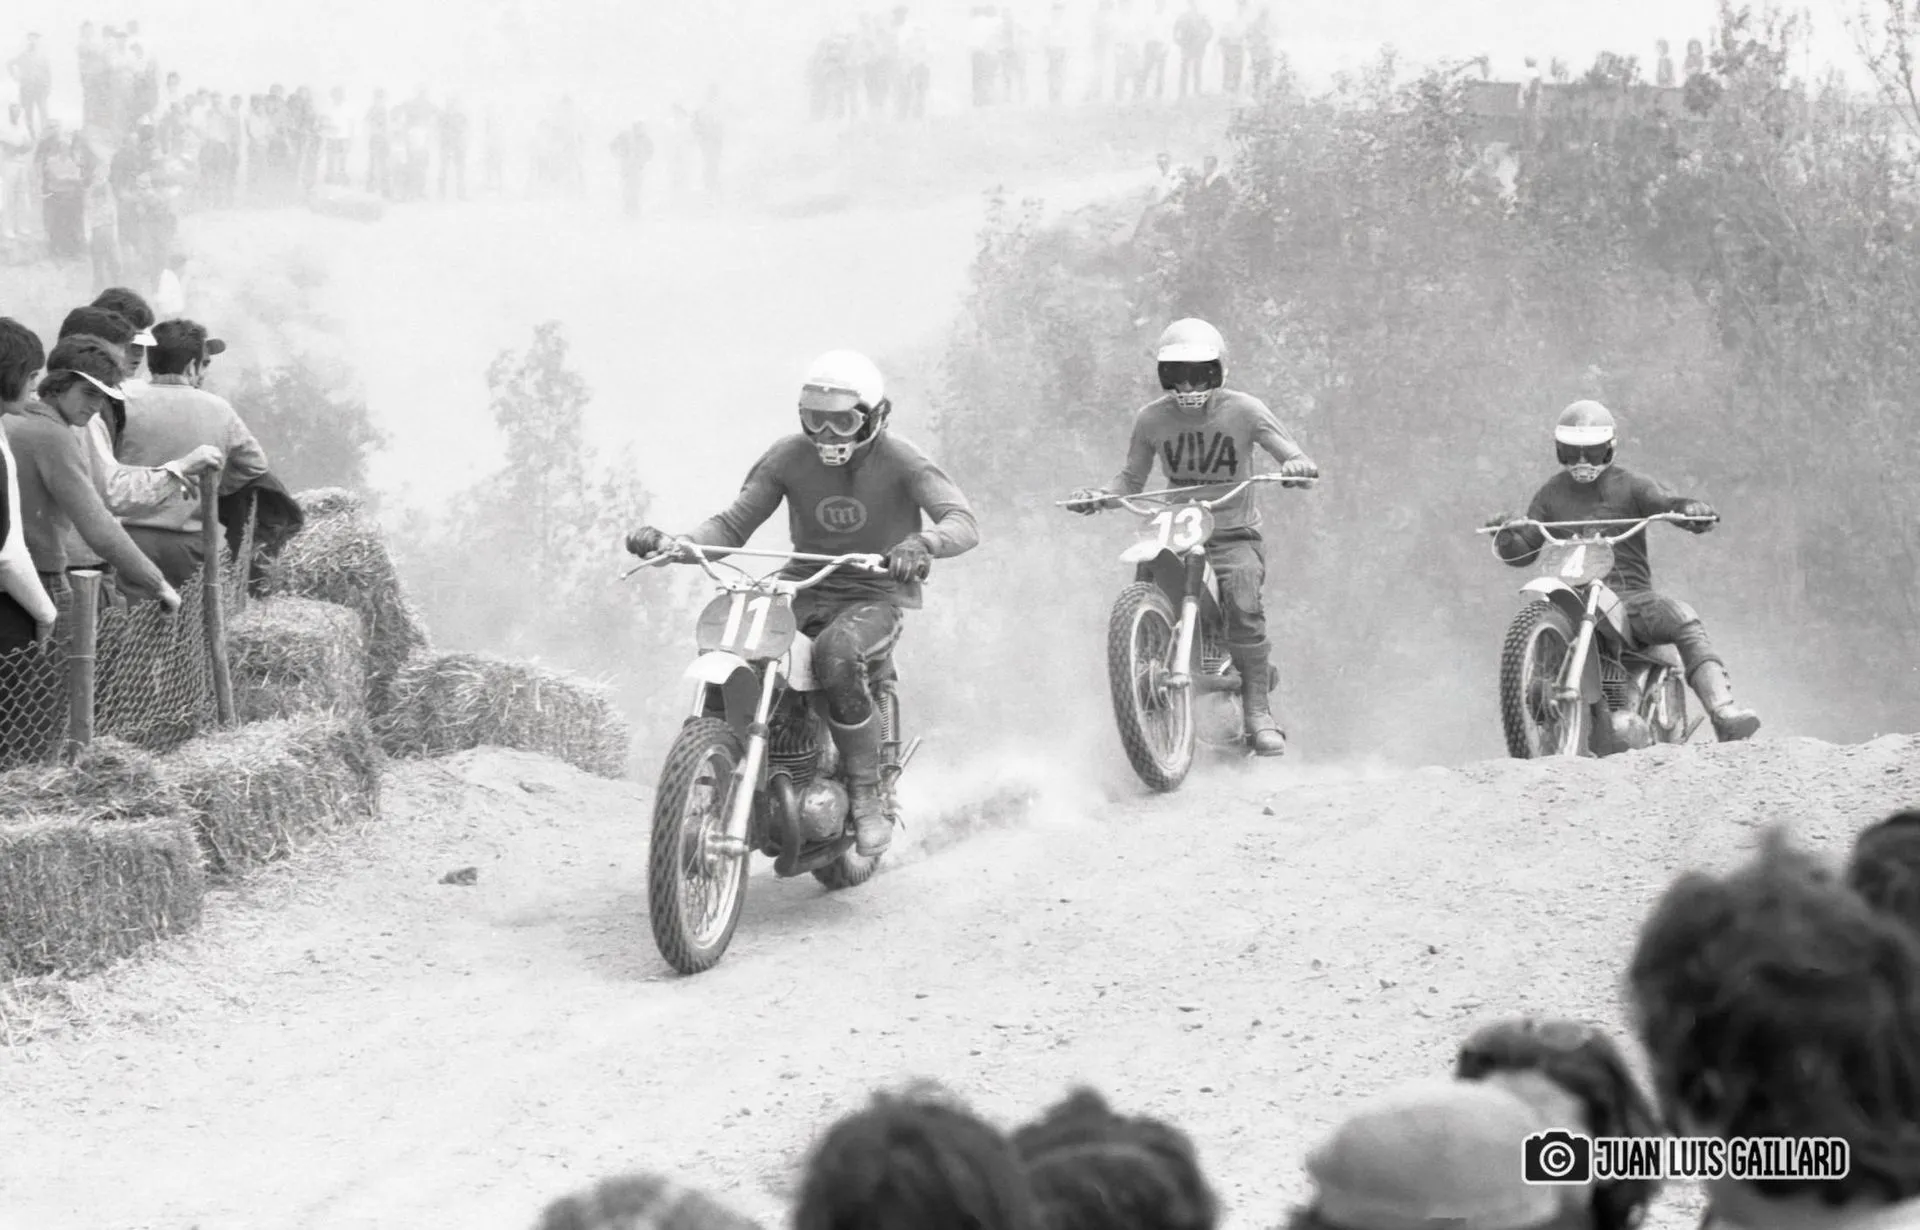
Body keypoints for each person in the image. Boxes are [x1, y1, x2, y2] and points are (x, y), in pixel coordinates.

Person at [624, 350, 979, 857]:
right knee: (737, 642)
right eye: (815, 420)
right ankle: (721, 771)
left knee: (837, 653)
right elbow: (732, 525)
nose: (827, 435)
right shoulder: (788, 457)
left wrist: (921, 544)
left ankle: (867, 795)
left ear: (875, 416)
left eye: (843, 422)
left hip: (874, 592)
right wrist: (678, 545)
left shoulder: (903, 461)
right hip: (803, 585)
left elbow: (962, 522)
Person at [1067, 317, 1320, 757]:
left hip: (1233, 534)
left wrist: (1296, 467)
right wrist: (1099, 497)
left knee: (1243, 599)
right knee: (1147, 580)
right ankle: (1144, 687)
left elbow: (1294, 454)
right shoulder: (1151, 419)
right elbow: (1130, 480)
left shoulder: (1246, 410)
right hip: (1177, 531)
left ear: (1219, 370)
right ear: (1163, 375)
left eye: (1199, 373)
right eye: (1177, 374)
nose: (1188, 385)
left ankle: (1258, 713)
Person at [1486, 400, 1760, 742]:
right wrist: (1506, 536)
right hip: (1571, 599)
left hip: (1630, 600)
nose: (1582, 462)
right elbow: (1524, 549)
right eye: (1571, 453)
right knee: (1542, 623)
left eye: (1592, 452)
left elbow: (1665, 504)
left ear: (1609, 448)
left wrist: (1690, 510)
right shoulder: (1549, 495)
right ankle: (1552, 723)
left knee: (1683, 617)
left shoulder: (1632, 485)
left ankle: (1723, 712)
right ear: (1558, 451)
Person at [2, 332, 177, 611]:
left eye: (102, 397)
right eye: (89, 393)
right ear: (58, 386)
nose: (95, 406)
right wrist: (158, 583)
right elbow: (96, 524)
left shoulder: (12, 421)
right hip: (39, 577)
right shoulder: (53, 436)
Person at [115, 319, 268, 586]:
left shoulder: (122, 403)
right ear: (190, 366)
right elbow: (255, 465)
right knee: (191, 611)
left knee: (127, 612)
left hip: (127, 542)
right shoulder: (220, 410)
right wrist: (212, 487)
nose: (204, 372)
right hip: (190, 545)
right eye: (204, 364)